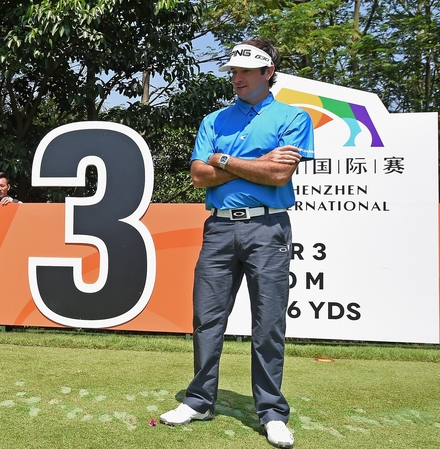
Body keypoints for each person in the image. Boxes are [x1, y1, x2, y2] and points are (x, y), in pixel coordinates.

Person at [159, 39, 314, 449]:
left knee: (268, 324)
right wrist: (257, 164)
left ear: (268, 73)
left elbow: (280, 176)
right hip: (219, 229)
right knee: (207, 319)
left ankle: (272, 412)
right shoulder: (214, 119)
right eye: (233, 71)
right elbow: (197, 176)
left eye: (246, 71)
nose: (237, 77)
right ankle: (198, 400)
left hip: (269, 230)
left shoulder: (293, 117)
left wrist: (223, 161)